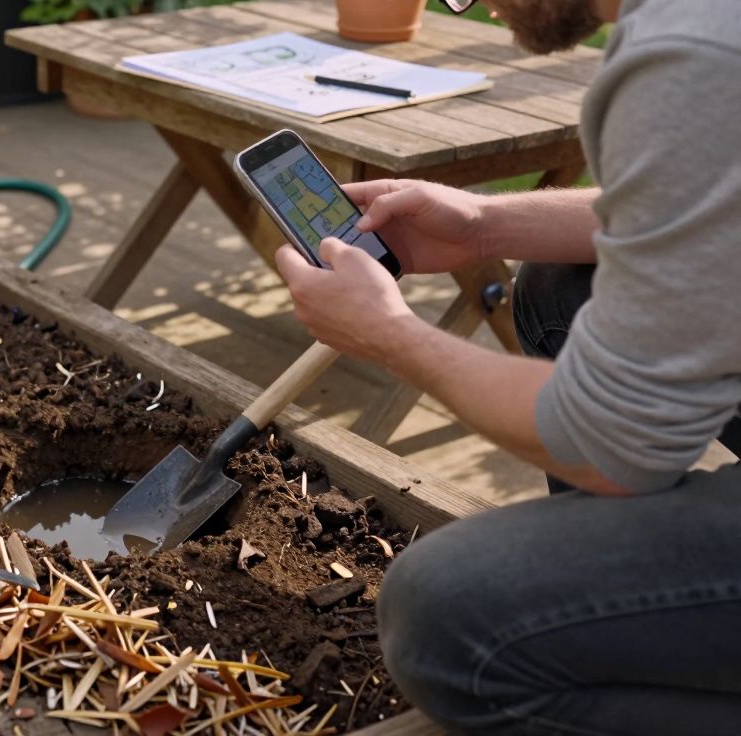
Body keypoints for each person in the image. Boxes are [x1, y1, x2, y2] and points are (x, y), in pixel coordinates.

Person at [273, 0, 741, 733]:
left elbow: (607, 446)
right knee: (559, 291)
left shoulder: (693, 52)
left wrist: (392, 333)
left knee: (445, 615)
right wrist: (485, 225)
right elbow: (704, 211)